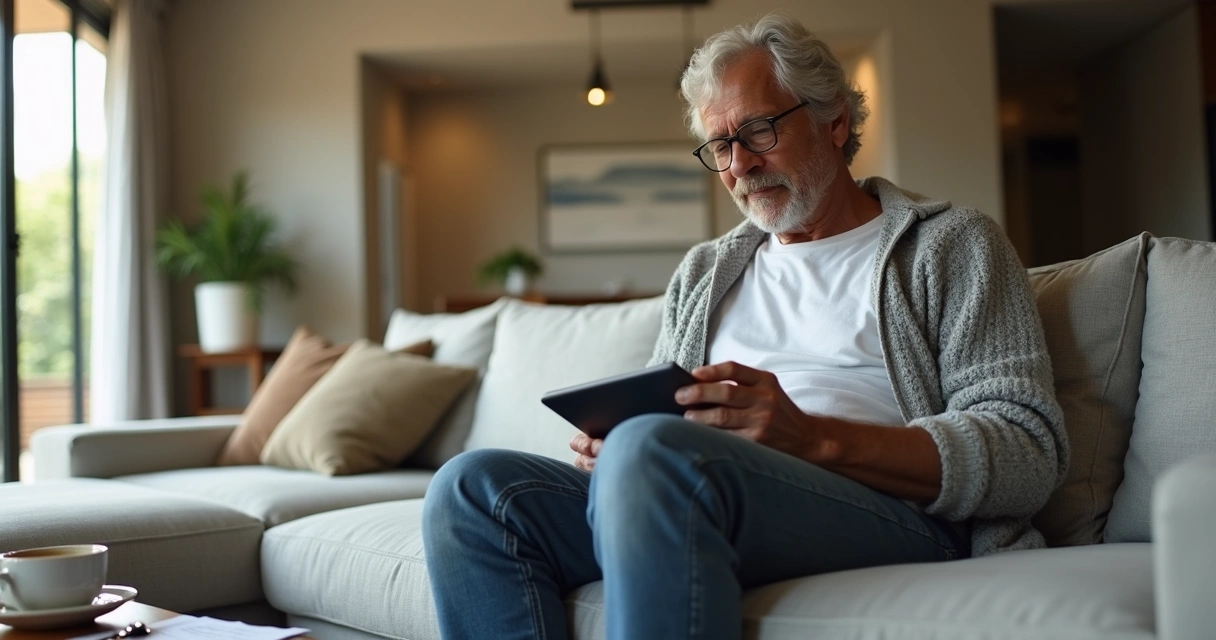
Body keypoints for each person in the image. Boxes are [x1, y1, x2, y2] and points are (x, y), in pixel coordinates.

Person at [422, 12, 1067, 640]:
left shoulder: (952, 244)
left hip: (891, 513)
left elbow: (1029, 450)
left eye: (758, 131)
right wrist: (614, 453)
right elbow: (659, 431)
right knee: (471, 490)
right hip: (693, 492)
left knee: (653, 451)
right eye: (720, 146)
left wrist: (811, 438)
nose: (739, 165)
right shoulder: (704, 271)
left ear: (835, 121)